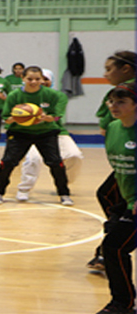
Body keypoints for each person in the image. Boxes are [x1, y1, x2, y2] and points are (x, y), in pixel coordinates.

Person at [0, 66, 72, 206]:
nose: (33, 82)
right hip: (19, 133)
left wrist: (47, 117)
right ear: (23, 79)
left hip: (46, 133)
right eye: (30, 79)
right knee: (8, 162)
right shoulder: (14, 96)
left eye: (37, 79)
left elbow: (56, 117)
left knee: (56, 163)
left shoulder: (53, 95)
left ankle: (64, 194)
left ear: (42, 79)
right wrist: (15, 118)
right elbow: (6, 118)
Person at [87, 51, 136, 271]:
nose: (105, 74)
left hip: (130, 162)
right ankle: (113, 239)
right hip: (122, 159)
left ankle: (113, 241)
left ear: (125, 69)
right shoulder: (116, 96)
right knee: (110, 197)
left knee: (112, 199)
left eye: (109, 68)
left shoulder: (130, 91)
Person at [95, 82, 137, 314]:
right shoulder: (113, 128)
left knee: (114, 247)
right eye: (112, 101)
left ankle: (123, 304)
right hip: (128, 198)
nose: (114, 106)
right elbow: (120, 170)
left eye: (121, 102)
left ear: (135, 105)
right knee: (114, 247)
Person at [16, 69, 83, 201]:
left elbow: (57, 116)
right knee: (33, 159)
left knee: (75, 155)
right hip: (32, 132)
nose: (43, 82)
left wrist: (47, 117)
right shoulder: (24, 95)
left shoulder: (57, 96)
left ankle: (63, 184)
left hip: (56, 131)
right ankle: (24, 189)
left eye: (46, 79)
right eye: (42, 79)